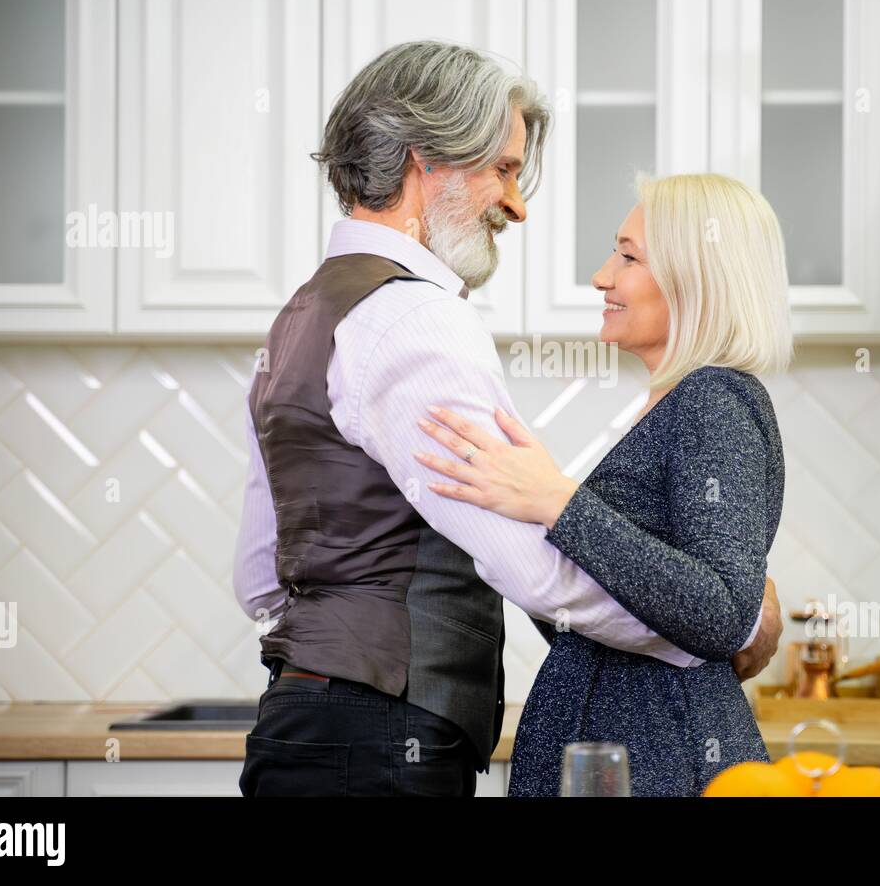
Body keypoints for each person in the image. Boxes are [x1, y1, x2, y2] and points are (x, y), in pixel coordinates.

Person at [232, 41, 782, 797]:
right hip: (386, 744)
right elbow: (536, 571)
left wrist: (328, 655)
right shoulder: (418, 321)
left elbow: (260, 578)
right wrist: (729, 622)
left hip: (300, 729)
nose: (517, 204)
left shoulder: (301, 318)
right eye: (505, 169)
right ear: (429, 162)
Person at [415, 172, 793, 796]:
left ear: (693, 278)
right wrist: (530, 519)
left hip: (663, 757)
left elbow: (722, 613)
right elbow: (609, 613)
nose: (601, 276)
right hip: (630, 752)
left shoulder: (715, 401)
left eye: (627, 256)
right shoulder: (678, 403)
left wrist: (555, 500)